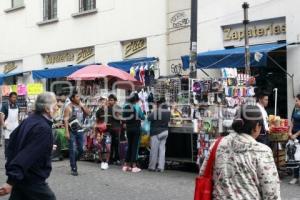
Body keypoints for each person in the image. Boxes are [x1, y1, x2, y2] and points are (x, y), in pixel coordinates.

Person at [199, 104, 280, 199]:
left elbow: (203, 173)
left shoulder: (217, 144)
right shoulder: (262, 151)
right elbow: (271, 193)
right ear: (257, 126)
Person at [0, 92, 58, 200]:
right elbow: (27, 154)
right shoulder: (43, 128)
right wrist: (11, 181)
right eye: (55, 105)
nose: (57, 108)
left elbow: (15, 143)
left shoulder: (30, 120)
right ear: (46, 108)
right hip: (31, 178)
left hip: (23, 177)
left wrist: (46, 147)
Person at [64, 91, 90, 176]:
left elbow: (88, 113)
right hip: (72, 132)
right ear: (73, 98)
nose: (79, 98)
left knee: (81, 150)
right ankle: (74, 168)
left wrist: (83, 106)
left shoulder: (81, 106)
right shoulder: (68, 107)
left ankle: (73, 160)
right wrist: (67, 132)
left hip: (80, 131)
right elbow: (66, 120)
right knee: (72, 149)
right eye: (77, 97)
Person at [122, 92, 145, 173]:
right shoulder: (137, 107)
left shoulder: (125, 106)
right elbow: (143, 117)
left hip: (128, 129)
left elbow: (123, 117)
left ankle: (126, 165)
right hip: (136, 128)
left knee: (129, 146)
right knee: (135, 146)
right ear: (136, 100)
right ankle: (134, 166)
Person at [148, 98, 171, 172]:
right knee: (162, 150)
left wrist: (154, 110)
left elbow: (149, 118)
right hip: (165, 132)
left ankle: (152, 167)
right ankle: (161, 167)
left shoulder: (157, 111)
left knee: (154, 150)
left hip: (156, 132)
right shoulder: (168, 111)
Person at [0, 92, 20, 159]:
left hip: (15, 126)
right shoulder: (5, 105)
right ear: (10, 98)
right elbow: (1, 116)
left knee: (16, 141)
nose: (14, 99)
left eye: (15, 97)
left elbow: (18, 116)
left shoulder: (17, 105)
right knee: (7, 142)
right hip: (7, 126)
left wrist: (19, 124)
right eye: (13, 97)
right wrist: (3, 124)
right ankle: (7, 155)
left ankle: (15, 154)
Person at [288, 94, 300, 184]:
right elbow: (292, 121)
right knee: (294, 156)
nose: (295, 102)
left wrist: (296, 134)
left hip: (298, 134)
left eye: (297, 100)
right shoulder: (295, 108)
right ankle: (295, 177)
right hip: (293, 135)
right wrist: (290, 131)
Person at [107, 94, 122, 165]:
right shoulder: (107, 108)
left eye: (111, 100)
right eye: (109, 100)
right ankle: (110, 159)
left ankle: (117, 159)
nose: (110, 101)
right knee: (111, 144)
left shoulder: (118, 107)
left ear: (115, 101)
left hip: (116, 128)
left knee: (116, 144)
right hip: (109, 128)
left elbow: (120, 117)